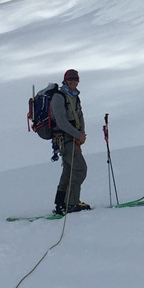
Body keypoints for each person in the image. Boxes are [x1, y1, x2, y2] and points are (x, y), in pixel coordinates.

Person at [51, 69, 90, 214]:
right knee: (79, 169)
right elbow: (61, 121)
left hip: (73, 138)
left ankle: (61, 204)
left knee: (68, 171)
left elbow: (80, 115)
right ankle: (71, 204)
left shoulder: (74, 96)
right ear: (65, 80)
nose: (73, 82)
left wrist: (81, 134)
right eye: (70, 79)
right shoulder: (59, 96)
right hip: (65, 137)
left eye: (75, 79)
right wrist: (77, 134)